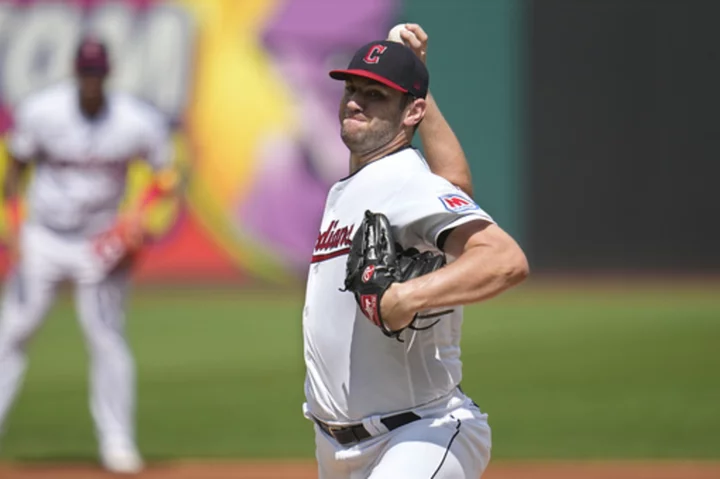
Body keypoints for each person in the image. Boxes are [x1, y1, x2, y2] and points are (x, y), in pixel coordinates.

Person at [302, 24, 529, 478]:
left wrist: (407, 297)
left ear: (411, 112)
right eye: (352, 89)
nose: (354, 101)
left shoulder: (404, 180)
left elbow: (505, 259)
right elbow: (455, 187)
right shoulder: (356, 185)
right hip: (338, 448)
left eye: (376, 94)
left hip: (418, 435)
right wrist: (416, 76)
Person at [0, 35, 176, 474]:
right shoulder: (43, 112)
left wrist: (136, 225)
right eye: (86, 72)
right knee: (13, 334)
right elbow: (15, 170)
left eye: (98, 72)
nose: (92, 80)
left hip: (100, 242)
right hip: (44, 235)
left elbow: (165, 176)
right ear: (75, 72)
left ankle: (117, 443)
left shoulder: (135, 120)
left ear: (107, 73)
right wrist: (14, 228)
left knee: (106, 339)